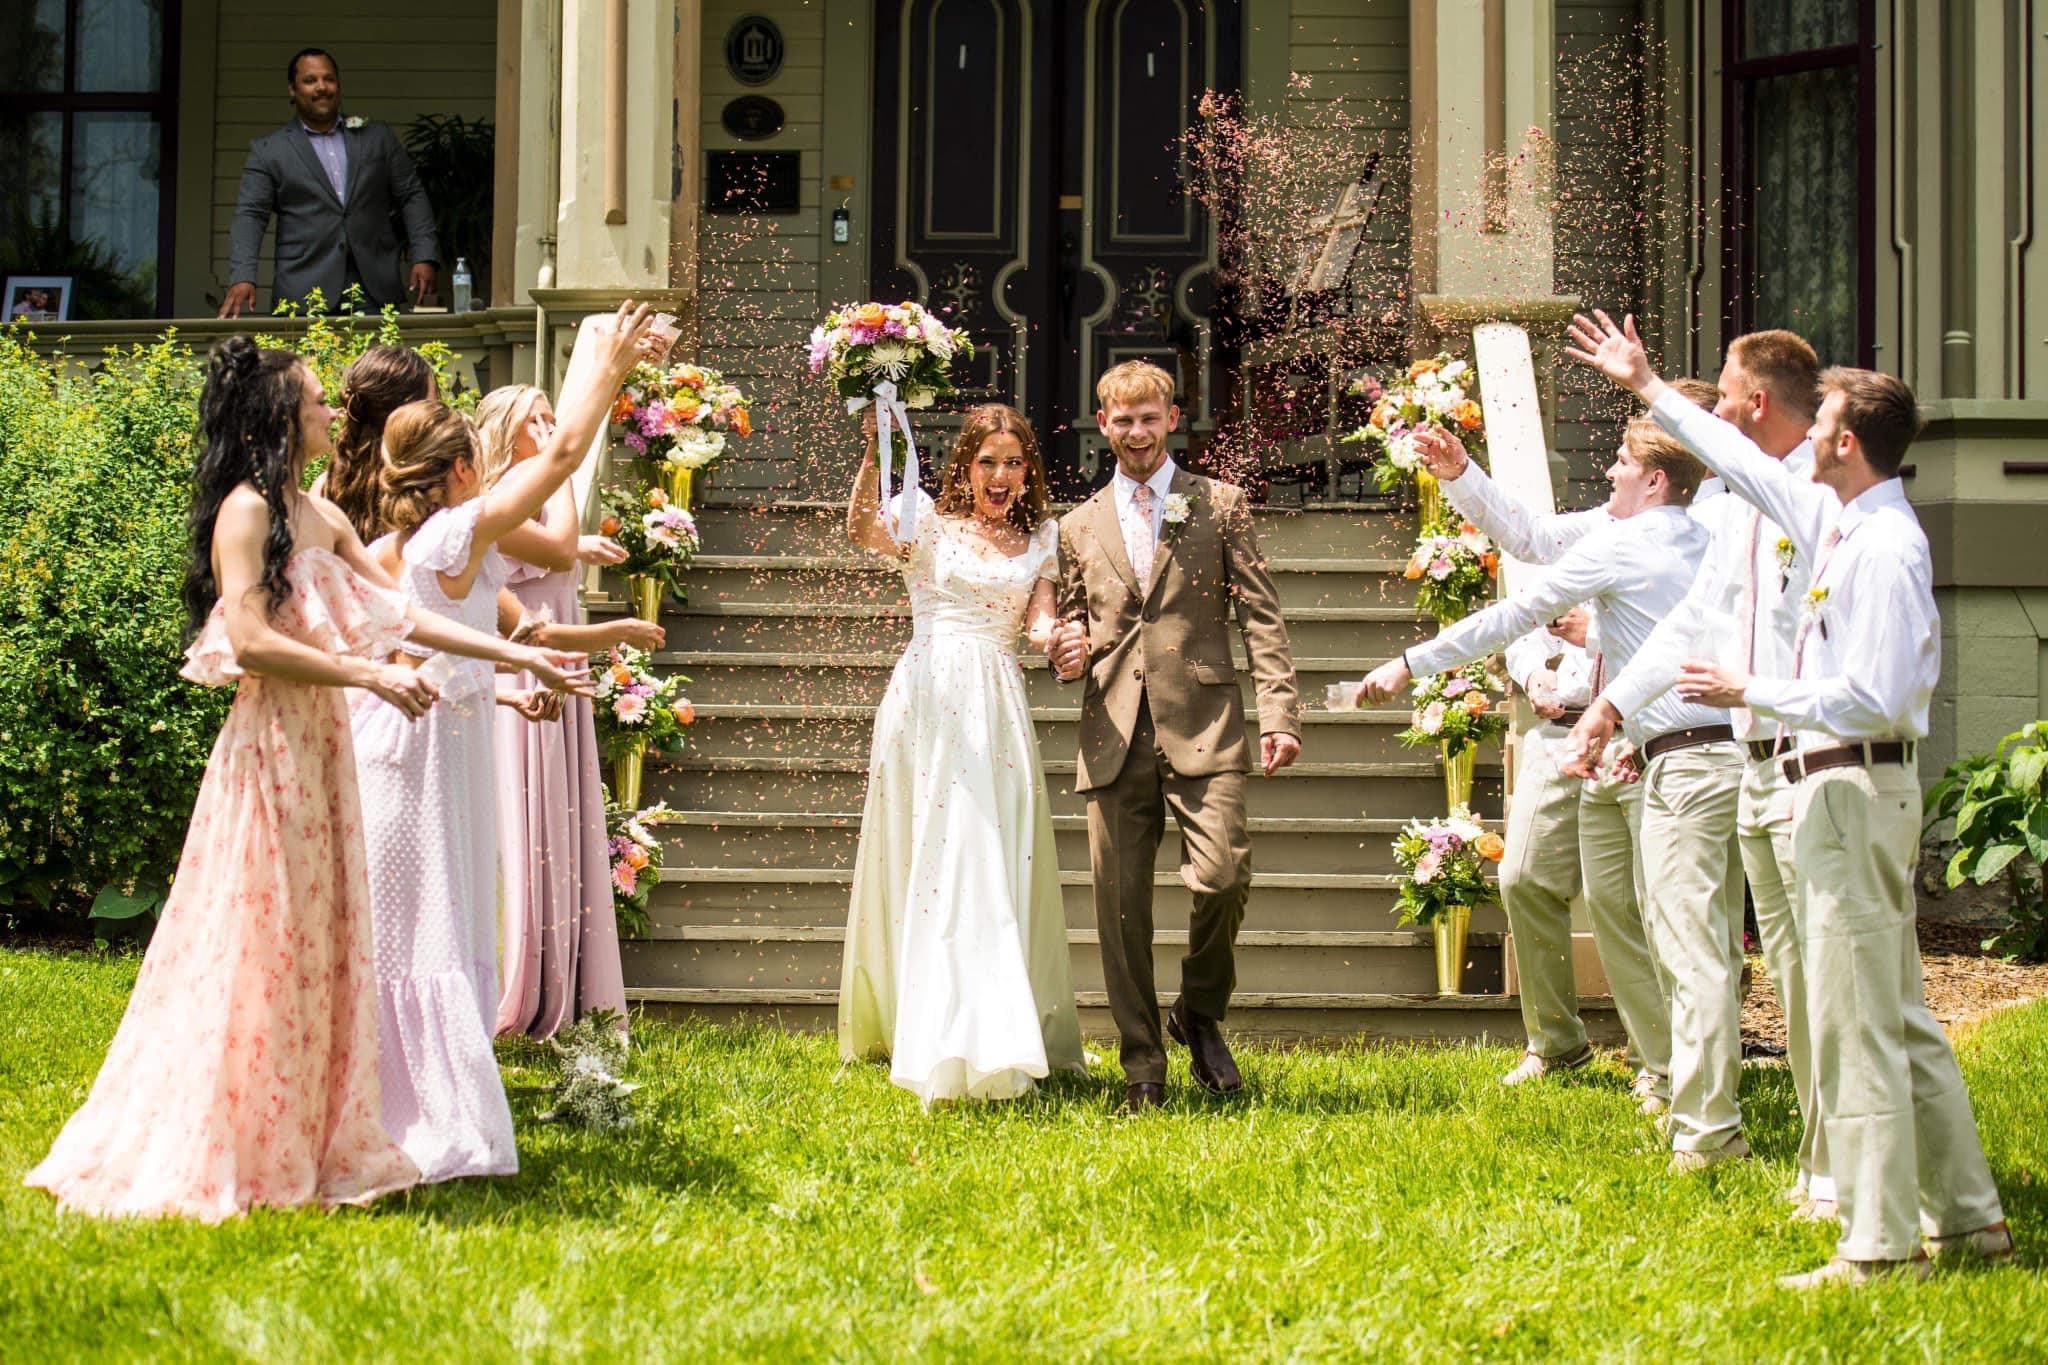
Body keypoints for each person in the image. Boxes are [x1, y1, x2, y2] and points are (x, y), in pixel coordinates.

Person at [22, 338, 557, 1219]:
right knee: (258, 936)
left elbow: (404, 613)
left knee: (321, 939)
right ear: (279, 417)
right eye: (314, 400)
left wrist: (507, 656)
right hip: (270, 752)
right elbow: (255, 641)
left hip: (329, 755)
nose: (328, 413)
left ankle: (304, 1130)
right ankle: (234, 1136)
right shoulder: (245, 513)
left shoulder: (321, 514)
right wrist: (370, 675)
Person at [1566, 310, 2012, 1288]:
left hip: (1849, 781)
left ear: (1844, 442)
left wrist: (1747, 691)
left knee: (1858, 1023)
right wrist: (1645, 388)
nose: (1799, 436)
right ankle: (1971, 1220)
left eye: (1817, 428)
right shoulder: (1839, 521)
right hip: (1839, 782)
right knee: (1890, 1016)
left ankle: (1880, 1243)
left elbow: (1881, 697)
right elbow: (1744, 458)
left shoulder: (1880, 547)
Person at [350, 303, 654, 1180]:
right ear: (459, 469)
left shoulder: (431, 543)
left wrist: (522, 684)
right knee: (425, 927)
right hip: (414, 754)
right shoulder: (452, 533)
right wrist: (606, 365)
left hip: (449, 741)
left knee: (444, 921)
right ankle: (419, 1110)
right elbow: (558, 459)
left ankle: (408, 1093)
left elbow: (449, 638)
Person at [1360, 418, 1721, 1127]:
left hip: (1673, 754)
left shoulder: (1672, 538)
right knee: (1606, 901)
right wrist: (1463, 471)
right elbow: (1528, 541)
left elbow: (1519, 609)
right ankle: (1649, 1069)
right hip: (1607, 739)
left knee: (1667, 922)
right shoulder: (1661, 531)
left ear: (1657, 479)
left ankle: (1695, 1093)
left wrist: (1409, 663)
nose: (1608, 471)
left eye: (1621, 461)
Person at [1571, 332, 1832, 1209]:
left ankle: (1829, 1161)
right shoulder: (1733, 518)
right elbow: (1690, 627)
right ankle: (1743, 1143)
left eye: (1722, 397)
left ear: (1756, 403)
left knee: (1808, 972)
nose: (1712, 412)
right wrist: (1609, 707)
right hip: (1751, 768)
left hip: (1804, 763)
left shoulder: (1798, 493)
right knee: (1755, 961)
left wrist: (1647, 385)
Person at [1047, 360, 1301, 1113]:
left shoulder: (1219, 504)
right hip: (1114, 730)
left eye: (1149, 417)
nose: (1136, 432)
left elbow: (1262, 616)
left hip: (1206, 724)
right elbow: (1069, 626)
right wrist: (1062, 648)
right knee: (1119, 913)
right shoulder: (1075, 525)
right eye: (1122, 420)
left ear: (1172, 418)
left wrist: (1280, 713)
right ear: (1104, 425)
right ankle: (1142, 1068)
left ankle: (1199, 1010)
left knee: (1223, 878)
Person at [838, 403, 1085, 1104]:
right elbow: (861, 530)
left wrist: (1058, 639)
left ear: (1028, 470)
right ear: (964, 466)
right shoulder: (929, 528)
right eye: (988, 462)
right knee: (930, 850)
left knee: (982, 855)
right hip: (927, 699)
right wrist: (873, 456)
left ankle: (992, 1030)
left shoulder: (1042, 538)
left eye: (1014, 462)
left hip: (996, 705)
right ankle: (925, 1022)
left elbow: (1038, 619)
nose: (1001, 476)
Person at [472, 383, 666, 1040]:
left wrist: (578, 543)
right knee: (526, 818)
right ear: (507, 429)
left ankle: (564, 977)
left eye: (557, 415)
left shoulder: (524, 490)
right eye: (538, 418)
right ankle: (524, 978)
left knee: (559, 813)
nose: (552, 427)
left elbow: (554, 550)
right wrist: (562, 475)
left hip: (560, 657)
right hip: (528, 665)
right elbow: (552, 548)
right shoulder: (510, 492)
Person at [220, 48, 440, 318]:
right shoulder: (269, 150)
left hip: (374, 289)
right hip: (303, 294)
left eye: (329, 79)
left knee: (380, 362)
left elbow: (411, 194)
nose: (322, 87)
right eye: (310, 80)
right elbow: (251, 214)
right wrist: (243, 276)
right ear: (292, 89)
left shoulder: (377, 136)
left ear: (339, 85)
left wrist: (424, 255)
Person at [315, 345, 439, 542]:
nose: (439, 417)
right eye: (434, 404)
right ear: (406, 413)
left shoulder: (325, 487)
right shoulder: (432, 493)